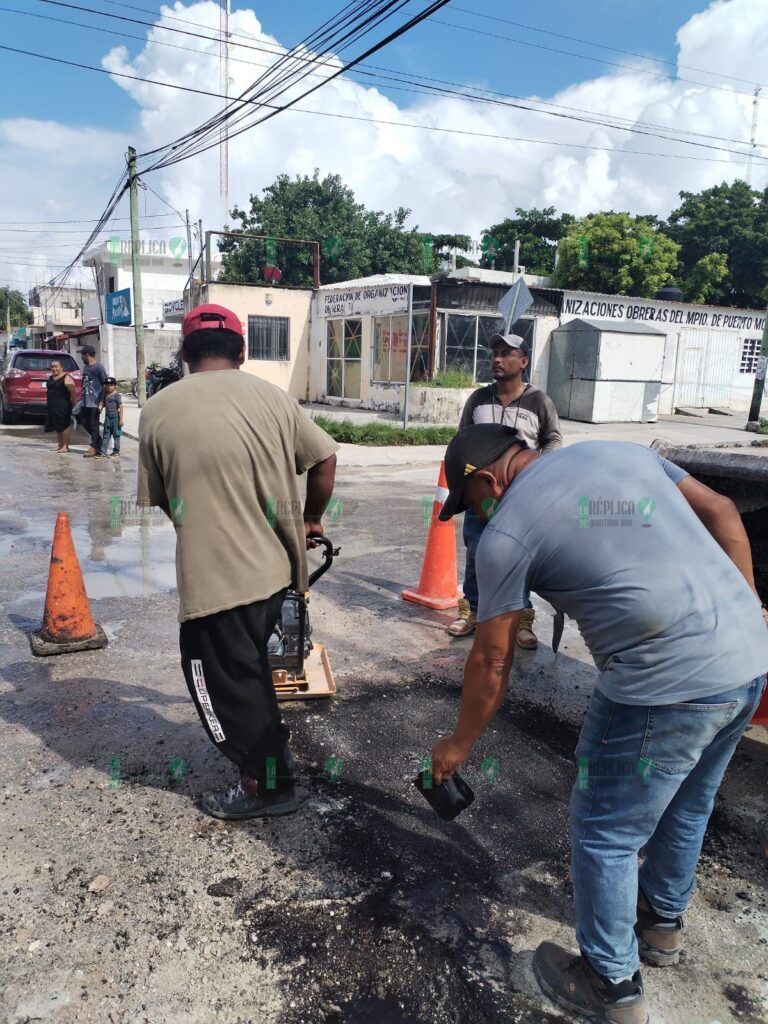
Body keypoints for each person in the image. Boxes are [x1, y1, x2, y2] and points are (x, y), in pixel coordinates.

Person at [430, 423, 768, 1024]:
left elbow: (492, 660)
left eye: (472, 504)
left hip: (663, 681)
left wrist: (456, 745)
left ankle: (611, 985)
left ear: (488, 479)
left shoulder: (505, 532)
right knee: (690, 800)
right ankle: (660, 925)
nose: (476, 517)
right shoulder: (620, 453)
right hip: (748, 661)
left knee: (606, 829)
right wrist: (744, 610)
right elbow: (722, 511)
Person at [137, 303, 338, 821]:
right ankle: (272, 750)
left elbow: (165, 499)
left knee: (220, 686)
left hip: (215, 582)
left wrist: (198, 521)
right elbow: (325, 458)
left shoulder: (158, 410)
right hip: (277, 573)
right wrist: (311, 518)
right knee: (252, 674)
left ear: (183, 352)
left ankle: (268, 788)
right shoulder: (274, 399)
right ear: (242, 352)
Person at [448, 333, 562, 648]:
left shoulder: (539, 401)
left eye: (506, 354)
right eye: (494, 353)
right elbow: (463, 439)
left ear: (523, 362)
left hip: (520, 496)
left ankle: (521, 619)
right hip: (481, 493)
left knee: (518, 556)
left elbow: (553, 439)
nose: (496, 359)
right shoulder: (478, 399)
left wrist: (538, 471)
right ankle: (472, 610)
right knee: (476, 551)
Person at [80, 345, 107, 458]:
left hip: (95, 402)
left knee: (94, 424)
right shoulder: (86, 367)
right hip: (85, 401)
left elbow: (105, 385)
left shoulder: (99, 367)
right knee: (83, 422)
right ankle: (98, 442)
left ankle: (93, 447)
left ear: (87, 355)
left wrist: (102, 401)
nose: (81, 357)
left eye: (82, 355)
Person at [45, 358, 76, 453]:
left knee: (64, 425)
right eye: (52, 367)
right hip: (52, 405)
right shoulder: (51, 377)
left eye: (56, 367)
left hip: (63, 405)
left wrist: (74, 405)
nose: (54, 369)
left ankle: (65, 446)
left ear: (61, 367)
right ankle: (60, 445)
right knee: (57, 425)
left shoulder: (67, 378)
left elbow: (73, 393)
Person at [97, 377, 123, 458]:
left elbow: (121, 407)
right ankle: (103, 452)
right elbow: (102, 403)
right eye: (107, 385)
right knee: (106, 435)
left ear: (115, 386)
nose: (109, 387)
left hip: (115, 418)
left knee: (116, 435)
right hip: (107, 418)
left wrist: (121, 419)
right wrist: (100, 406)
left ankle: (116, 451)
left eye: (111, 385)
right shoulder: (105, 395)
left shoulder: (116, 395)